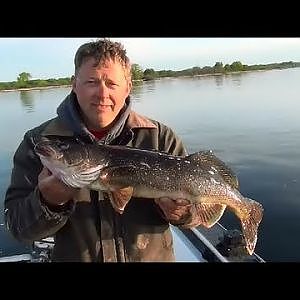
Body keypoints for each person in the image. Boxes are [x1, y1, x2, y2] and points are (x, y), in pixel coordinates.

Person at [4, 38, 203, 262]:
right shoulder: (39, 142)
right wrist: (48, 202)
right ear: (74, 83)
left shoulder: (161, 138)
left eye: (112, 83)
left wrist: (182, 213)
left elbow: (197, 215)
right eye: (91, 81)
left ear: (128, 87)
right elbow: (18, 227)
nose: (102, 93)